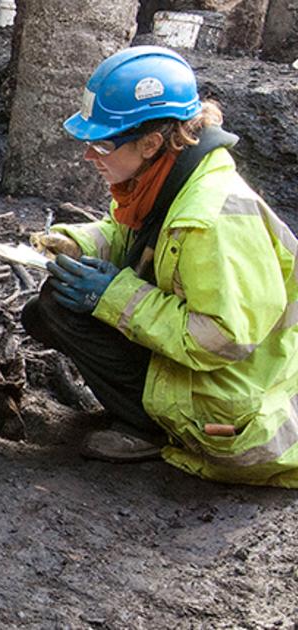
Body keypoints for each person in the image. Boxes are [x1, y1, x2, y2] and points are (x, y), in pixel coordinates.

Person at [23, 46, 298, 487]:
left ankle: (150, 429)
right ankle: (143, 413)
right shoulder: (166, 178)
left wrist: (113, 298)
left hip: (237, 398)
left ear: (150, 143)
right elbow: (128, 238)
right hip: (219, 372)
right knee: (48, 310)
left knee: (63, 309)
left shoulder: (212, 220)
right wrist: (72, 243)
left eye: (101, 145)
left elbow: (221, 340)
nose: (90, 157)